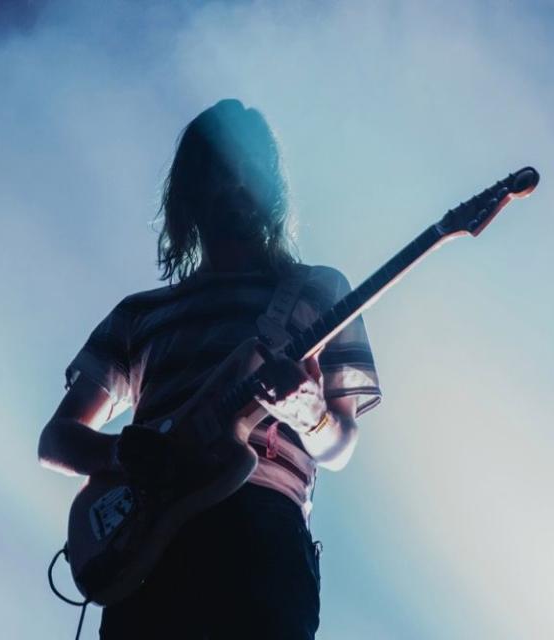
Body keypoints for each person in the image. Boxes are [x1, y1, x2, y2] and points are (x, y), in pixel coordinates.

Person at [38, 99, 381, 639]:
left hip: (261, 534)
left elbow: (340, 447)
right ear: (190, 191)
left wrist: (309, 411)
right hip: (151, 542)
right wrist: (122, 454)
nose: (234, 186)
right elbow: (56, 440)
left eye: (248, 170)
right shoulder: (139, 314)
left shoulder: (318, 291)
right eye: (218, 171)